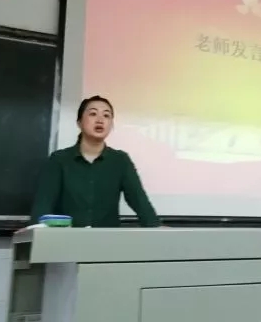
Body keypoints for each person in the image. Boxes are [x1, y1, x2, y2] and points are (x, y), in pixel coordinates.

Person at [28, 95, 161, 228]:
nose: (100, 120)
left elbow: (139, 201)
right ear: (79, 122)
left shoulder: (120, 160)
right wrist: (35, 232)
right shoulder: (59, 159)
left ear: (111, 125)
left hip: (107, 238)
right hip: (67, 237)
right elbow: (43, 204)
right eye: (93, 114)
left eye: (106, 115)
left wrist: (157, 228)